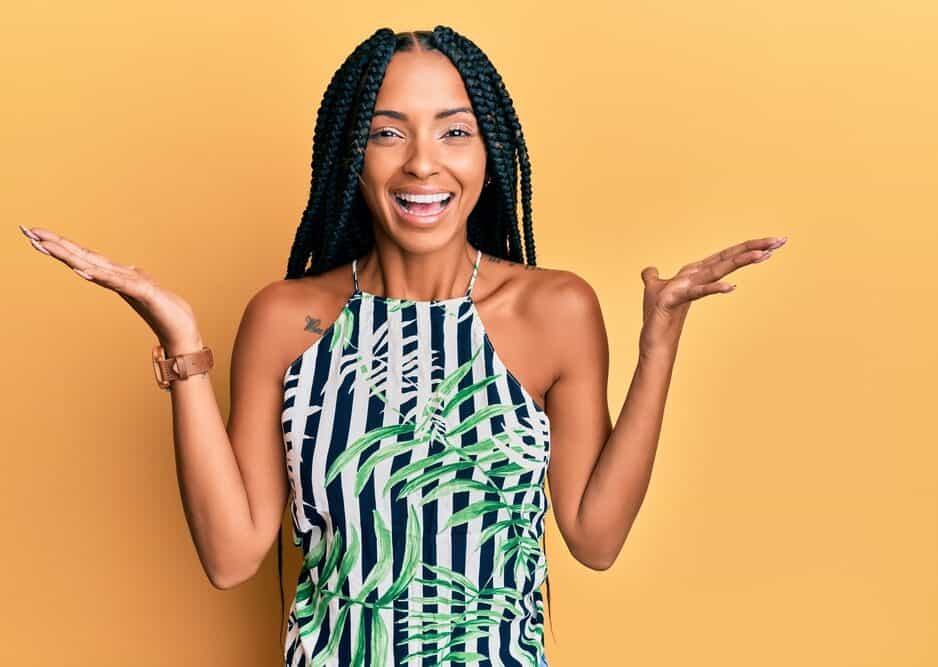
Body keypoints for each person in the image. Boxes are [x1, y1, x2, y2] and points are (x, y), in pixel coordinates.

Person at [19, 25, 786, 667]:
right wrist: (181, 343)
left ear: (490, 151)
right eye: (388, 132)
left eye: (455, 130)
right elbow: (231, 557)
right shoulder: (286, 318)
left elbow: (596, 536)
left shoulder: (553, 309)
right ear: (351, 154)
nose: (424, 161)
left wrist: (660, 343)